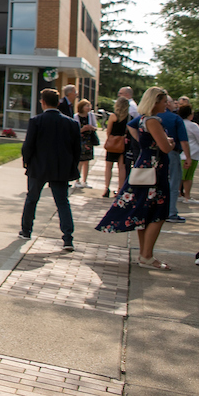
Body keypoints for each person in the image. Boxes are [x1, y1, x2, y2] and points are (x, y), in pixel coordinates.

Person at [96, 87, 174, 270]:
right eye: (164, 101)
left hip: (145, 166)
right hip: (155, 170)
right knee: (158, 213)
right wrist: (170, 142)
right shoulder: (153, 120)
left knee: (144, 211)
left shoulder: (143, 120)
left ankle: (144, 254)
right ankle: (147, 256)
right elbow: (165, 148)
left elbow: (135, 130)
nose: (167, 104)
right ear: (155, 102)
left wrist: (147, 144)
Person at [19, 88, 80, 250]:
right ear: (58, 102)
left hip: (39, 167)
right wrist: (72, 165)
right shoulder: (71, 123)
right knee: (62, 202)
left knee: (32, 198)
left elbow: (28, 146)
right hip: (61, 168)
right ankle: (68, 238)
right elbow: (77, 149)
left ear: (43, 102)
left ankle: (26, 230)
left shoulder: (36, 121)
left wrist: (27, 162)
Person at [102, 97, 131, 198]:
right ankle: (120, 189)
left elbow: (108, 130)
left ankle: (106, 188)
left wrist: (110, 139)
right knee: (121, 167)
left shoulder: (113, 116)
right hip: (123, 144)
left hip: (113, 143)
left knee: (108, 166)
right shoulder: (128, 117)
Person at [181, 102, 199, 204]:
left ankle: (178, 194)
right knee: (188, 177)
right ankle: (187, 196)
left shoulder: (179, 123)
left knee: (180, 176)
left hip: (180, 153)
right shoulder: (193, 125)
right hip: (192, 153)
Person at [74, 98, 99, 188]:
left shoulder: (91, 116)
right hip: (80, 140)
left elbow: (95, 127)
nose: (88, 107)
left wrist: (91, 128)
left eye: (89, 106)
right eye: (86, 106)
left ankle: (85, 180)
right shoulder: (76, 117)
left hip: (89, 140)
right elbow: (75, 130)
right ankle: (77, 180)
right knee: (80, 161)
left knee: (87, 161)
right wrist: (82, 129)